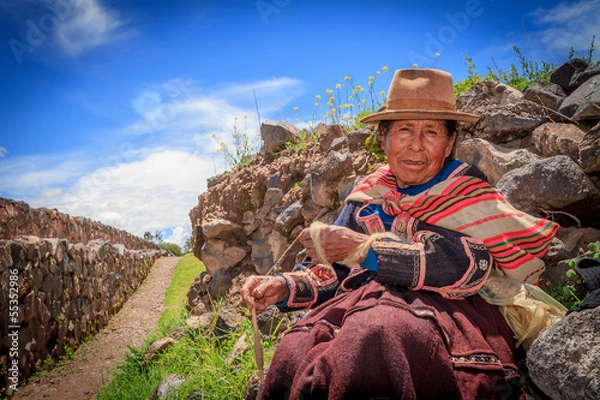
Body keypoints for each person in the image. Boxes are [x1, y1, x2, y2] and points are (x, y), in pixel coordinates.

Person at [241, 68, 559, 400]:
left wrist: (364, 248)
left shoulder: (466, 194)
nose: (416, 146)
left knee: (376, 334)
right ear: (383, 138)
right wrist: (282, 286)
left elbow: (464, 267)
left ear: (450, 142)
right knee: (295, 348)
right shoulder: (369, 195)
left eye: (432, 133)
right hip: (357, 304)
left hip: (447, 310)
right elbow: (334, 271)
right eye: (404, 130)